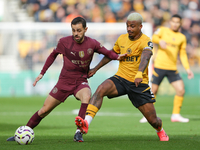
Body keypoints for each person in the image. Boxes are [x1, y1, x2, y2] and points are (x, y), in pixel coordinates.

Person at [6, 17, 126, 142]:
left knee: (86, 95)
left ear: (85, 29)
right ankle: (22, 133)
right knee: (44, 110)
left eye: (79, 30)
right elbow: (52, 55)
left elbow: (107, 53)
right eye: (73, 30)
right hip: (64, 82)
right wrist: (42, 73)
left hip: (80, 81)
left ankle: (78, 132)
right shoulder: (64, 42)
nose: (76, 33)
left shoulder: (92, 43)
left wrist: (117, 57)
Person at [75, 12, 169, 141]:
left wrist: (139, 73)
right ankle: (86, 123)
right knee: (100, 89)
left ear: (140, 27)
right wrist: (95, 68)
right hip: (121, 78)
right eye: (127, 26)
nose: (129, 29)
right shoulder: (122, 39)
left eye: (132, 26)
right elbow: (111, 54)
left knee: (154, 121)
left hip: (138, 83)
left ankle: (161, 130)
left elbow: (146, 57)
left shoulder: (146, 40)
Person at [139, 14, 194, 123]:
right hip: (160, 66)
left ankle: (176, 115)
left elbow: (182, 54)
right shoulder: (162, 30)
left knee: (181, 90)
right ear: (170, 22)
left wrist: (188, 69)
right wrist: (160, 41)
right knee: (153, 91)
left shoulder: (182, 37)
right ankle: (148, 115)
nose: (175, 24)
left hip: (172, 68)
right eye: (173, 21)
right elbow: (154, 37)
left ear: (180, 24)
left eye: (177, 22)